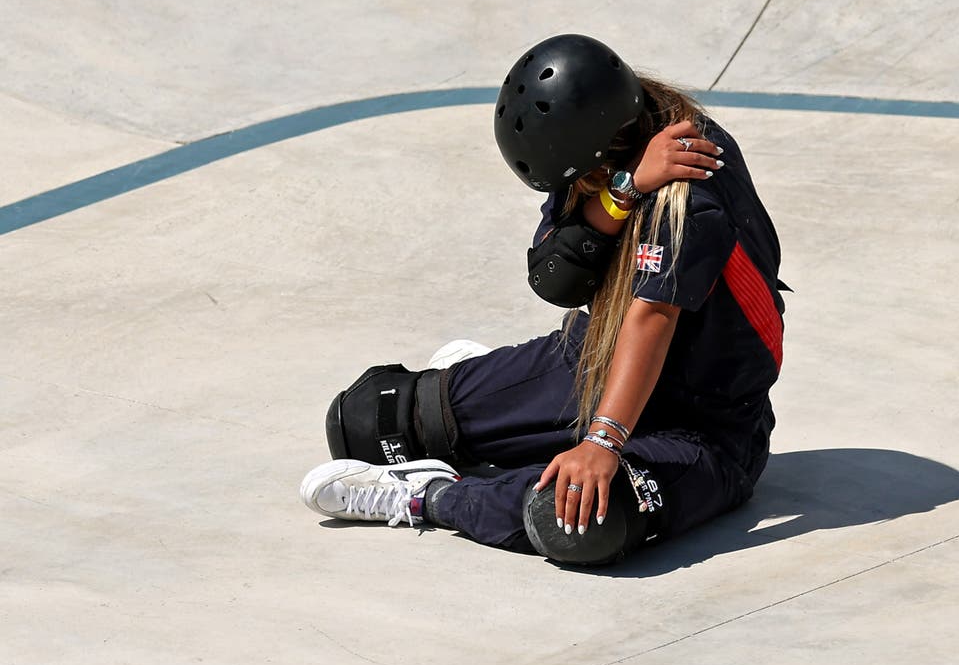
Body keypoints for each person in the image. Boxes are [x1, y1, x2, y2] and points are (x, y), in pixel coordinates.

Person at [299, 33, 786, 565]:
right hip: (598, 364)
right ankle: (497, 405)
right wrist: (622, 189)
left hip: (706, 428)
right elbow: (555, 278)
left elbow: (653, 316)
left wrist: (603, 442)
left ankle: (427, 496)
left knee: (576, 521)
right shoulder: (606, 156)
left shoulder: (689, 191)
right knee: (367, 423)